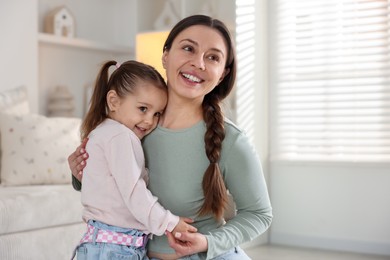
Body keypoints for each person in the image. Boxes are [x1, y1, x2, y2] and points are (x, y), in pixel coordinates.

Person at [69, 15, 272, 259]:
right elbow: (116, 189)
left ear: (222, 74)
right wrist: (80, 172)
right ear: (165, 55)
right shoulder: (133, 125)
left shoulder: (231, 139)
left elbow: (259, 214)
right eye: (188, 48)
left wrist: (208, 242)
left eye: (213, 57)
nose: (199, 63)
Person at [72, 60, 196, 260]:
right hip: (114, 249)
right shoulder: (120, 136)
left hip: (108, 245)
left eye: (157, 114)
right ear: (113, 101)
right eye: (143, 109)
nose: (149, 121)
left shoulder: (105, 132)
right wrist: (169, 223)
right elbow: (134, 192)